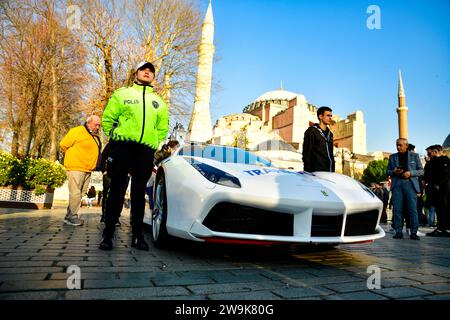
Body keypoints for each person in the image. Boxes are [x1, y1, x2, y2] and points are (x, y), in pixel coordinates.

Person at [99, 61, 169, 251]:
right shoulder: (122, 94)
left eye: (151, 71)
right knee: (117, 189)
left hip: (145, 150)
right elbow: (108, 119)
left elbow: (162, 127)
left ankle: (137, 236)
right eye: (143, 69)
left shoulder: (159, 102)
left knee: (139, 193)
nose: (147, 72)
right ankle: (108, 233)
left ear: (154, 77)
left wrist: (154, 142)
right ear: (136, 73)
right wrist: (114, 138)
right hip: (123, 146)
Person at [60, 115, 102, 226]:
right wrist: (73, 157)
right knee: (75, 192)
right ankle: (73, 216)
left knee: (81, 193)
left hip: (88, 169)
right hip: (76, 167)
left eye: (99, 125)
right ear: (88, 122)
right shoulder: (77, 131)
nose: (98, 127)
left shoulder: (93, 136)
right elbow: (63, 145)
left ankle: (69, 215)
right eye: (96, 124)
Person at [386, 138, 424, 240]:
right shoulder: (392, 157)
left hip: (410, 184)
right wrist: (394, 172)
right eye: (397, 145)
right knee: (397, 209)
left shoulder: (415, 156)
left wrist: (410, 173)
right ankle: (398, 231)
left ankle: (414, 232)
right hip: (397, 184)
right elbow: (387, 171)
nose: (398, 147)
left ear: (406, 145)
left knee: (412, 209)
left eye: (400, 145)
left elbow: (421, 171)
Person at [146, 140, 180, 210]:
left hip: (156, 177)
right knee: (151, 192)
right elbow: (152, 163)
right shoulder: (161, 153)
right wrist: (156, 170)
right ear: (170, 148)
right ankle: (151, 210)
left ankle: (152, 210)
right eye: (175, 149)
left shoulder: (169, 155)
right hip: (151, 176)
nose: (176, 150)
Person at [424, 145, 450, 237]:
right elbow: (428, 175)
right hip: (434, 191)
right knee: (438, 210)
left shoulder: (445, 160)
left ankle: (444, 229)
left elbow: (445, 174)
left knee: (443, 209)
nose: (428, 155)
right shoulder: (432, 162)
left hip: (443, 190)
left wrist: (438, 184)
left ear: (435, 151)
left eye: (430, 153)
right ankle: (440, 228)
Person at [302, 106, 335, 172]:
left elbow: (331, 154)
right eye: (328, 115)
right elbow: (306, 153)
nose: (330, 118)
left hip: (329, 172)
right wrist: (308, 172)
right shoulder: (311, 131)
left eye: (331, 116)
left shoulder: (330, 134)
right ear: (320, 116)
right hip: (316, 172)